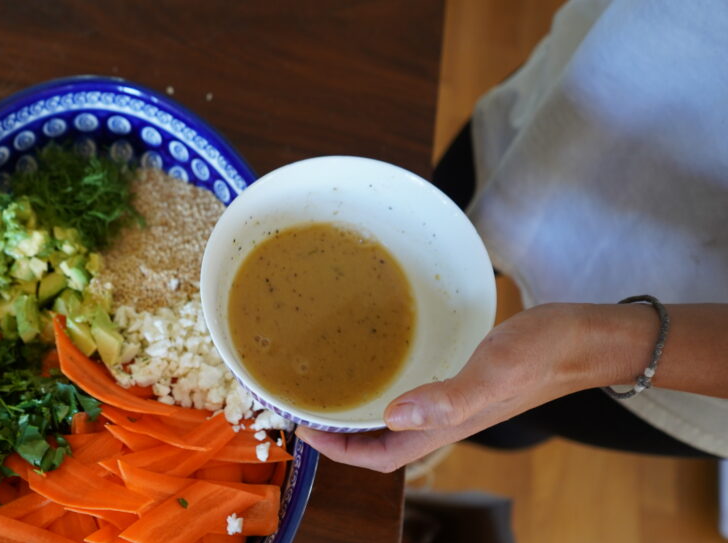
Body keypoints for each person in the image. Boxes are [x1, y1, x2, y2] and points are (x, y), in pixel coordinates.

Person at [297, 0, 728, 472]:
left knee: (518, 417)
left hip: (699, 347)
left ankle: (439, 441)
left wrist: (588, 351)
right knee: (471, 194)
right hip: (628, 55)